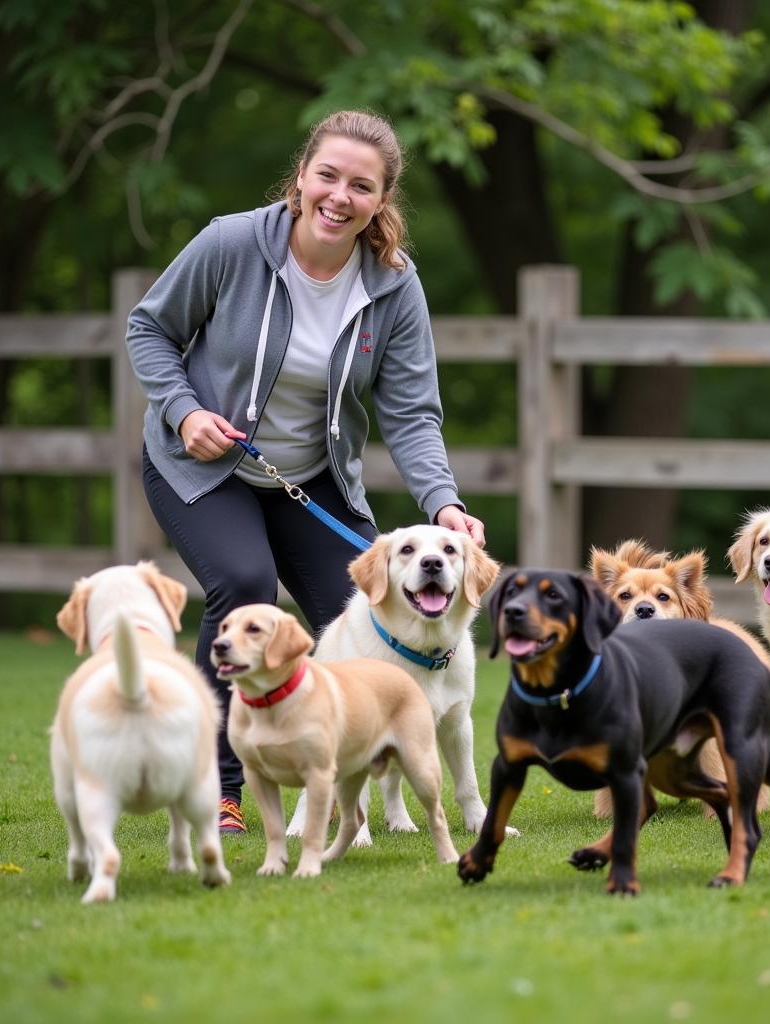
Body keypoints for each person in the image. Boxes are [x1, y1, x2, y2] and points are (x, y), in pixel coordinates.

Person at [126, 109, 486, 834]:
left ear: (380, 201)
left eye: (361, 185)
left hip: (312, 480)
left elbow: (413, 415)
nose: (339, 195)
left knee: (366, 613)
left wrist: (443, 505)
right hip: (203, 467)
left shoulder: (391, 286)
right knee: (245, 584)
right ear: (301, 176)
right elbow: (149, 328)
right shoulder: (231, 244)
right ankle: (222, 787)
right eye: (328, 175)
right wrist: (184, 411)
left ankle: (358, 784)